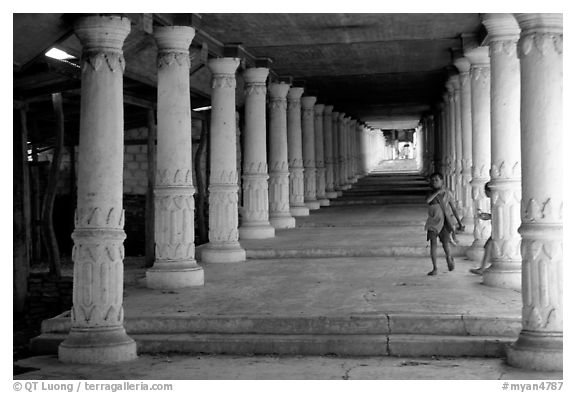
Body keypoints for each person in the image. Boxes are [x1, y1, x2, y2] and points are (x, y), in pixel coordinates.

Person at [425, 172, 464, 276]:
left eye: (437, 180)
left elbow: (453, 208)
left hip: (445, 221)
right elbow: (428, 200)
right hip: (433, 222)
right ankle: (435, 268)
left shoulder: (448, 194)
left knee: (445, 243)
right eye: (433, 180)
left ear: (442, 181)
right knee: (433, 244)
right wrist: (437, 192)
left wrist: (459, 222)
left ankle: (449, 257)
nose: (434, 182)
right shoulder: (430, 193)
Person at [470, 183, 493, 275]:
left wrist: (487, 216)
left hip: (503, 232)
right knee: (488, 246)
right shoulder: (493, 202)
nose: (484, 192)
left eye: (486, 191)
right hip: (497, 231)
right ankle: (483, 267)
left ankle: (483, 268)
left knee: (488, 246)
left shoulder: (495, 201)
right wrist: (486, 216)